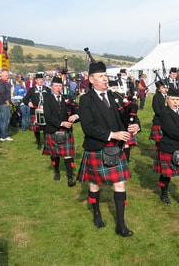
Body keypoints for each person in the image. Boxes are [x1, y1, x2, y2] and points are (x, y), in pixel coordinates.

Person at [77, 61, 140, 237]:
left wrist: (135, 126)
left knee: (119, 184)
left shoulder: (114, 97)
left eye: (105, 76)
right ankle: (96, 213)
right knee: (94, 184)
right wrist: (113, 134)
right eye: (101, 76)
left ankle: (121, 224)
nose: (105, 79)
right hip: (97, 147)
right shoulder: (85, 100)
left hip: (116, 148)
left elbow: (128, 116)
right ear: (91, 79)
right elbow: (88, 128)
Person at [42, 76, 79, 186]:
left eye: (60, 86)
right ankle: (57, 172)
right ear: (51, 87)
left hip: (66, 131)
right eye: (56, 86)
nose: (58, 88)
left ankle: (70, 177)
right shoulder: (47, 99)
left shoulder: (67, 98)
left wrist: (76, 116)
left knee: (68, 155)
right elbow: (48, 116)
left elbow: (77, 109)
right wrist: (62, 123)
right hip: (52, 130)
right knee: (55, 155)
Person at [23, 73, 51, 149]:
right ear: (36, 80)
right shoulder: (32, 90)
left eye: (42, 79)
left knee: (46, 128)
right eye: (39, 79)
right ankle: (39, 143)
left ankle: (46, 143)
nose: (40, 81)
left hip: (45, 111)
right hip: (35, 112)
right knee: (37, 129)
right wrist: (29, 102)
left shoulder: (47, 89)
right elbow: (25, 99)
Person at [0, 70, 13, 141]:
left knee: (6, 119)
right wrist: (7, 101)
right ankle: (3, 135)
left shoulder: (6, 83)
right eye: (5, 76)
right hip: (2, 103)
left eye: (7, 76)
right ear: (2, 76)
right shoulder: (1, 83)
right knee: (4, 119)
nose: (7, 77)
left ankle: (4, 134)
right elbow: (1, 93)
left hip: (4, 103)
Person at [149, 80, 168, 149]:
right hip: (160, 119)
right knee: (159, 138)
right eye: (162, 88)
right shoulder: (156, 96)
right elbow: (156, 109)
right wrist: (164, 115)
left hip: (168, 119)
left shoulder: (168, 96)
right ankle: (159, 149)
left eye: (165, 87)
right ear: (159, 89)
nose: (165, 89)